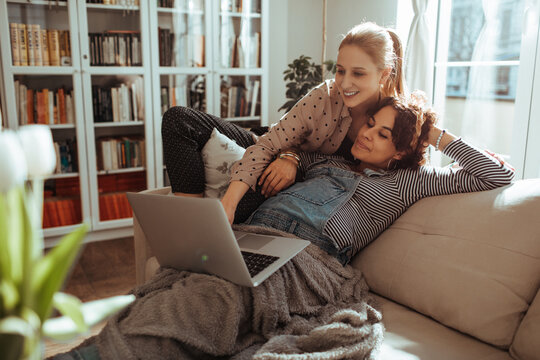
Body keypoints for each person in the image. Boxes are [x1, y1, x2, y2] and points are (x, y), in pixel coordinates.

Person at [55, 93, 514, 360]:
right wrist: (292, 156)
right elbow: (275, 148)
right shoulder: (326, 158)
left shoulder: (409, 182)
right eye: (369, 124)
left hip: (308, 258)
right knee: (178, 286)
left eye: (382, 133)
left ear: (401, 150)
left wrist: (434, 132)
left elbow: (496, 176)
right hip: (252, 235)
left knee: (216, 296)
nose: (367, 134)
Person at [162, 22, 405, 224]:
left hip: (302, 183)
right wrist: (288, 155)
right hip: (272, 148)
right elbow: (268, 144)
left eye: (358, 73)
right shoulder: (325, 96)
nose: (344, 83)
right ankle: (189, 222)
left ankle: (203, 228)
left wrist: (436, 133)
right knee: (178, 119)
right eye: (340, 70)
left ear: (384, 73)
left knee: (244, 210)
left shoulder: (397, 118)